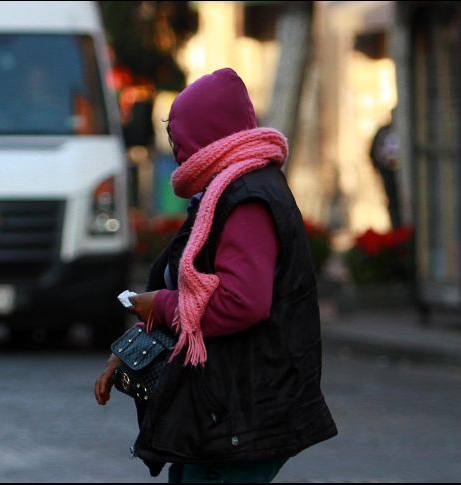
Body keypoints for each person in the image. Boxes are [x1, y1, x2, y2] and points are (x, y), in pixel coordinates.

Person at [95, 68, 338, 483]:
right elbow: (185, 286)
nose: (175, 149)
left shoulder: (246, 198)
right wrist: (131, 349)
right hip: (223, 409)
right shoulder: (223, 190)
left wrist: (161, 304)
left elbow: (239, 303)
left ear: (204, 134)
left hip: (245, 411)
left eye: (179, 136)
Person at [369, 109, 401, 228]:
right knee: (392, 202)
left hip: (398, 174)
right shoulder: (384, 131)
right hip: (388, 174)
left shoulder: (402, 131)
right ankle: (396, 226)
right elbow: (373, 152)